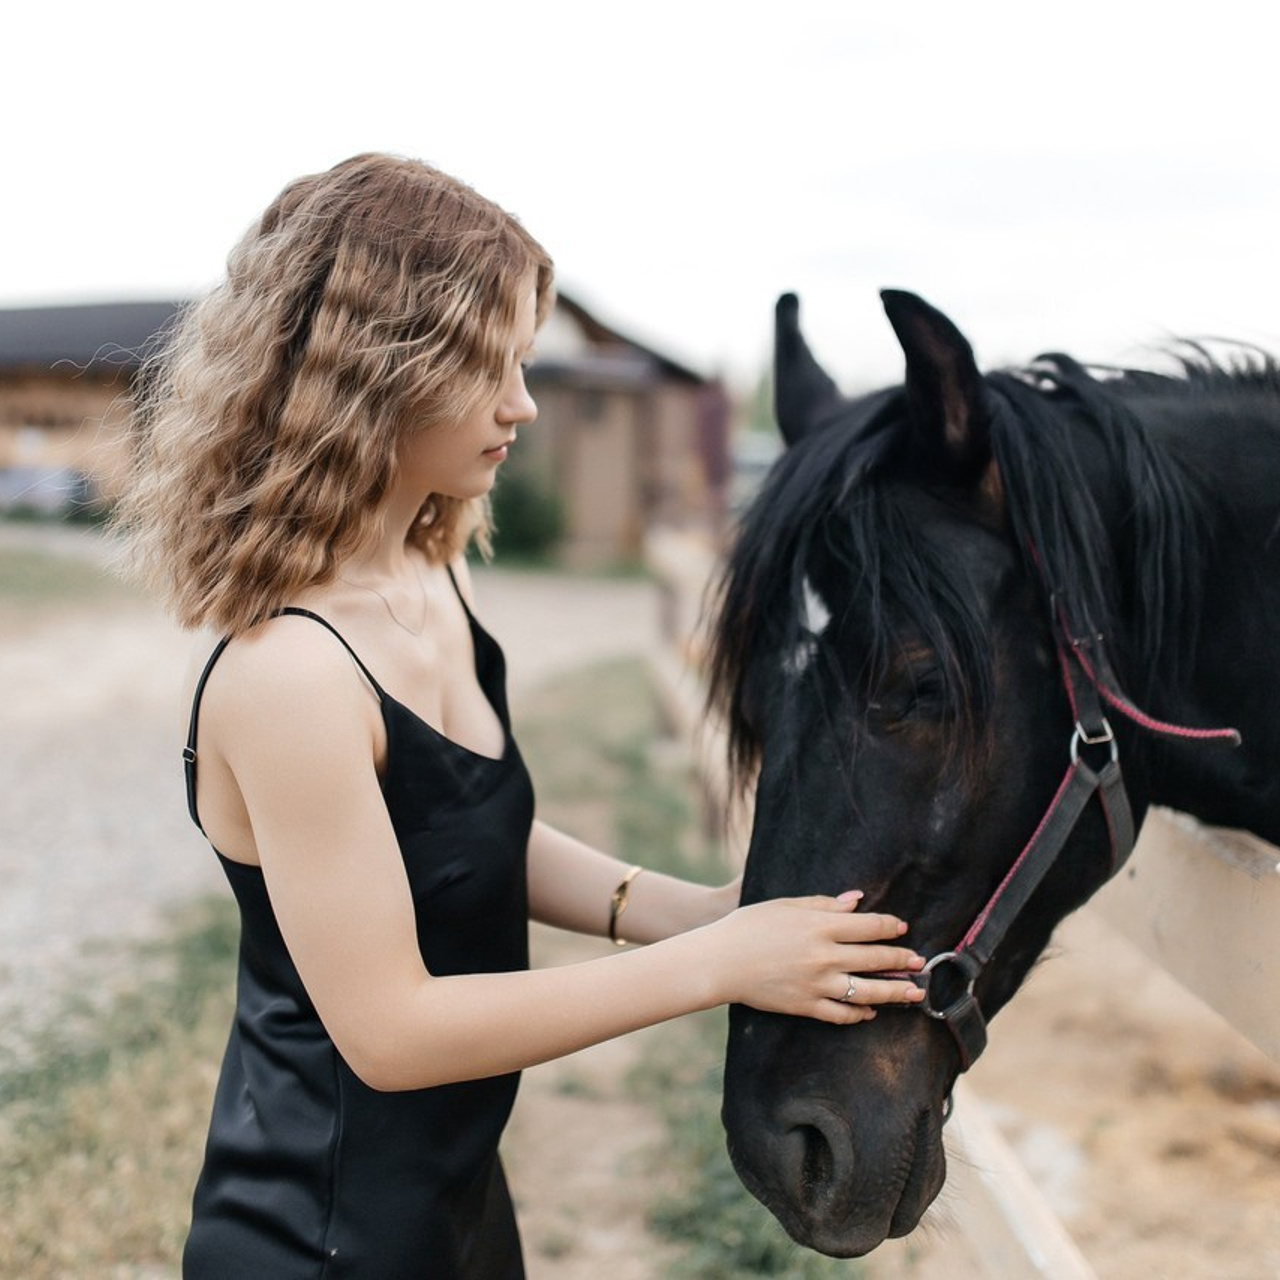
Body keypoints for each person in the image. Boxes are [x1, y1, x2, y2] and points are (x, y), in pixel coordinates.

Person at [113, 153, 926, 1279]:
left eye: (521, 360)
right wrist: (716, 965)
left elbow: (469, 832)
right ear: (377, 370)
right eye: (487, 364)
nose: (521, 402)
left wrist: (695, 911)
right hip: (317, 1237)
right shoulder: (288, 673)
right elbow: (391, 1033)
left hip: (455, 1206)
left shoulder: (429, 569)